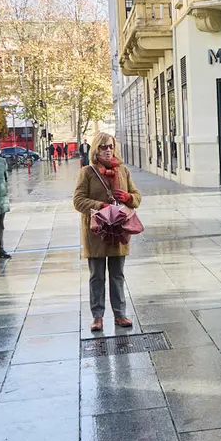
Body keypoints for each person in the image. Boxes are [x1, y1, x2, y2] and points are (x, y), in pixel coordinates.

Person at [72, 133, 142, 332]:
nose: (108, 150)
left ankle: (120, 314)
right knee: (97, 276)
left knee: (117, 275)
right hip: (96, 232)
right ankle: (98, 316)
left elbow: (137, 197)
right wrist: (101, 205)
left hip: (118, 231)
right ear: (96, 149)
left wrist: (128, 197)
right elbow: (78, 201)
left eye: (110, 146)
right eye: (103, 147)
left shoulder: (123, 171)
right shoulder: (87, 172)